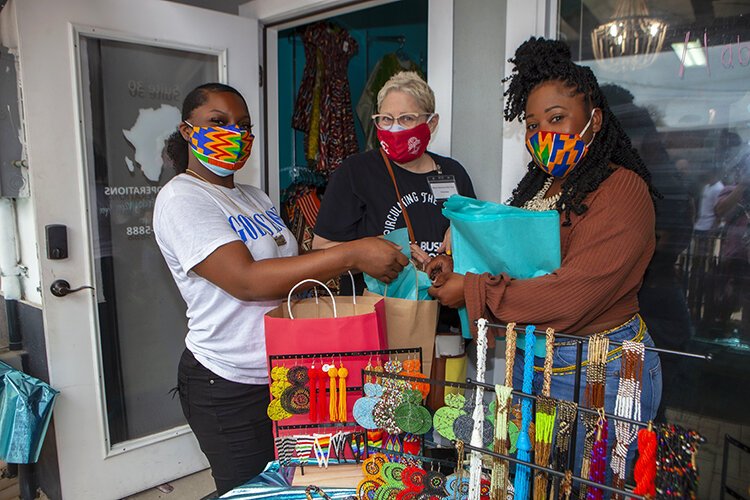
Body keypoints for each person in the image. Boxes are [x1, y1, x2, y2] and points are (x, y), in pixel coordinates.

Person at [154, 83, 407, 496]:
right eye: (218, 122)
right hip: (228, 381)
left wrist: (363, 250)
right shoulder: (182, 198)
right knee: (250, 491)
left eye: (244, 125)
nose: (234, 134)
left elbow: (289, 268)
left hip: (286, 373)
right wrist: (351, 254)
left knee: (295, 483)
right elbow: (247, 280)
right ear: (188, 131)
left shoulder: (253, 197)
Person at [427, 37, 662, 473]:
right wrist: (458, 264)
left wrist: (473, 290)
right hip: (536, 359)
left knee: (591, 485)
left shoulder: (622, 189)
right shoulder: (540, 187)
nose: (543, 136)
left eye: (557, 118)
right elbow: (514, 257)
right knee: (536, 481)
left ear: (593, 119)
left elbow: (572, 295)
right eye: (533, 125)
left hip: (602, 372)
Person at [312, 71, 475, 407]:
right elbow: (321, 249)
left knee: (443, 427)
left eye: (407, 118)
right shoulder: (355, 173)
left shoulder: (454, 173)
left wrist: (457, 244)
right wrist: (371, 252)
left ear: (431, 123)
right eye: (386, 119)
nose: (395, 128)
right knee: (387, 429)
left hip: (446, 330)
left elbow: (474, 241)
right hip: (380, 329)